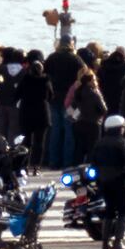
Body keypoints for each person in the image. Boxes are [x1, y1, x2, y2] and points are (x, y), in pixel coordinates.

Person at [90, 115, 125, 249]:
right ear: (120, 129)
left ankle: (105, 243)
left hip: (104, 183)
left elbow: (93, 165)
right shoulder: (124, 143)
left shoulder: (98, 144)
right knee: (124, 211)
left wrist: (98, 181)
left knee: (109, 211)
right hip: (121, 182)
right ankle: (118, 242)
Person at [43, 38, 83, 170]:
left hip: (53, 100)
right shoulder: (76, 59)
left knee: (55, 131)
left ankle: (53, 161)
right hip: (70, 102)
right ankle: (67, 162)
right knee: (69, 131)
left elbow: (45, 75)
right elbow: (83, 76)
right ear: (72, 45)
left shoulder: (52, 58)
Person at [15, 58, 51, 173]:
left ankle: (24, 165)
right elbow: (50, 96)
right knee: (39, 142)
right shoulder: (46, 80)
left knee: (27, 141)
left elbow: (17, 94)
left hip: (27, 112)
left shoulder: (25, 79)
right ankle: (36, 166)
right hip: (42, 112)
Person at [68, 66, 106, 162]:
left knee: (79, 149)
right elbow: (104, 109)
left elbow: (70, 111)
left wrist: (75, 118)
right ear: (91, 81)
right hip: (93, 124)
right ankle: (89, 171)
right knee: (92, 150)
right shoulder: (95, 93)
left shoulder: (78, 92)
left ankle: (76, 170)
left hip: (79, 124)